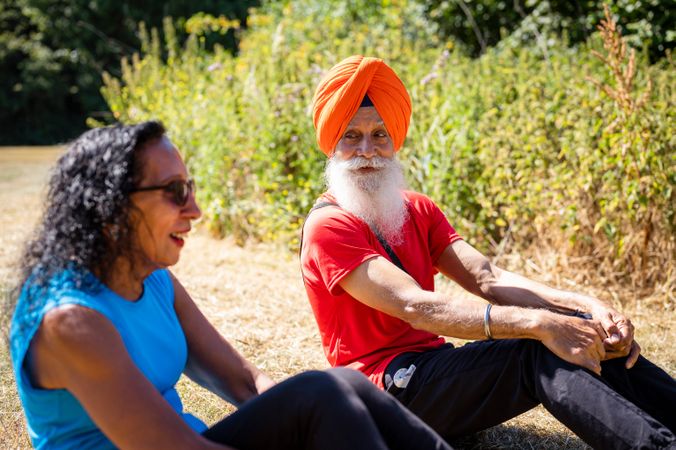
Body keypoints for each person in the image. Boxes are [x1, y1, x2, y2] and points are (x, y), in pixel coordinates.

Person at [300, 55, 676, 449]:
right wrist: (540, 324)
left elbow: (488, 278)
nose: (367, 150)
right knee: (535, 350)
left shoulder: (416, 208)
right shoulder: (329, 225)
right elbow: (414, 305)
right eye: (351, 136)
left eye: (380, 134)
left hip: (431, 372)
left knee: (584, 331)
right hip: (385, 392)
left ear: (395, 140)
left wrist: (587, 309)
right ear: (332, 144)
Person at [8, 121, 452, 450]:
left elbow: (240, 379)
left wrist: (307, 419)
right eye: (174, 191)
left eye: (191, 188)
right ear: (111, 206)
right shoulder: (71, 320)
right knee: (322, 395)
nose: (195, 209)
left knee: (337, 386)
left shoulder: (152, 277)